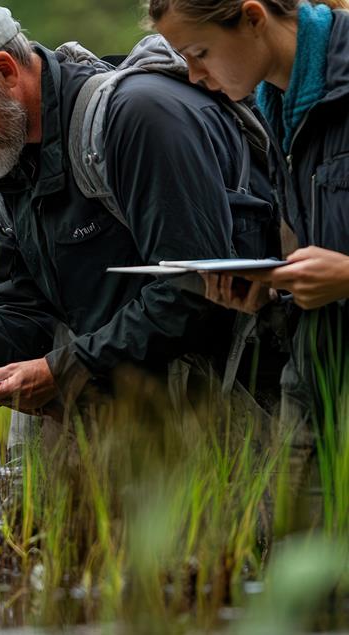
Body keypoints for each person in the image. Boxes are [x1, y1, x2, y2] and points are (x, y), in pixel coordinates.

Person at [0, 0, 277, 417]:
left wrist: (66, 369)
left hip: (237, 407)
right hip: (137, 424)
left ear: (5, 71)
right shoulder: (1, 164)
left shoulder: (138, 118)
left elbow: (198, 290)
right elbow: (27, 309)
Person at [149, 0, 349, 523]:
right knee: (295, 580)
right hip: (314, 385)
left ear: (254, 19)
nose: (194, 75)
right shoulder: (277, 107)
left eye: (199, 53)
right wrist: (274, 286)